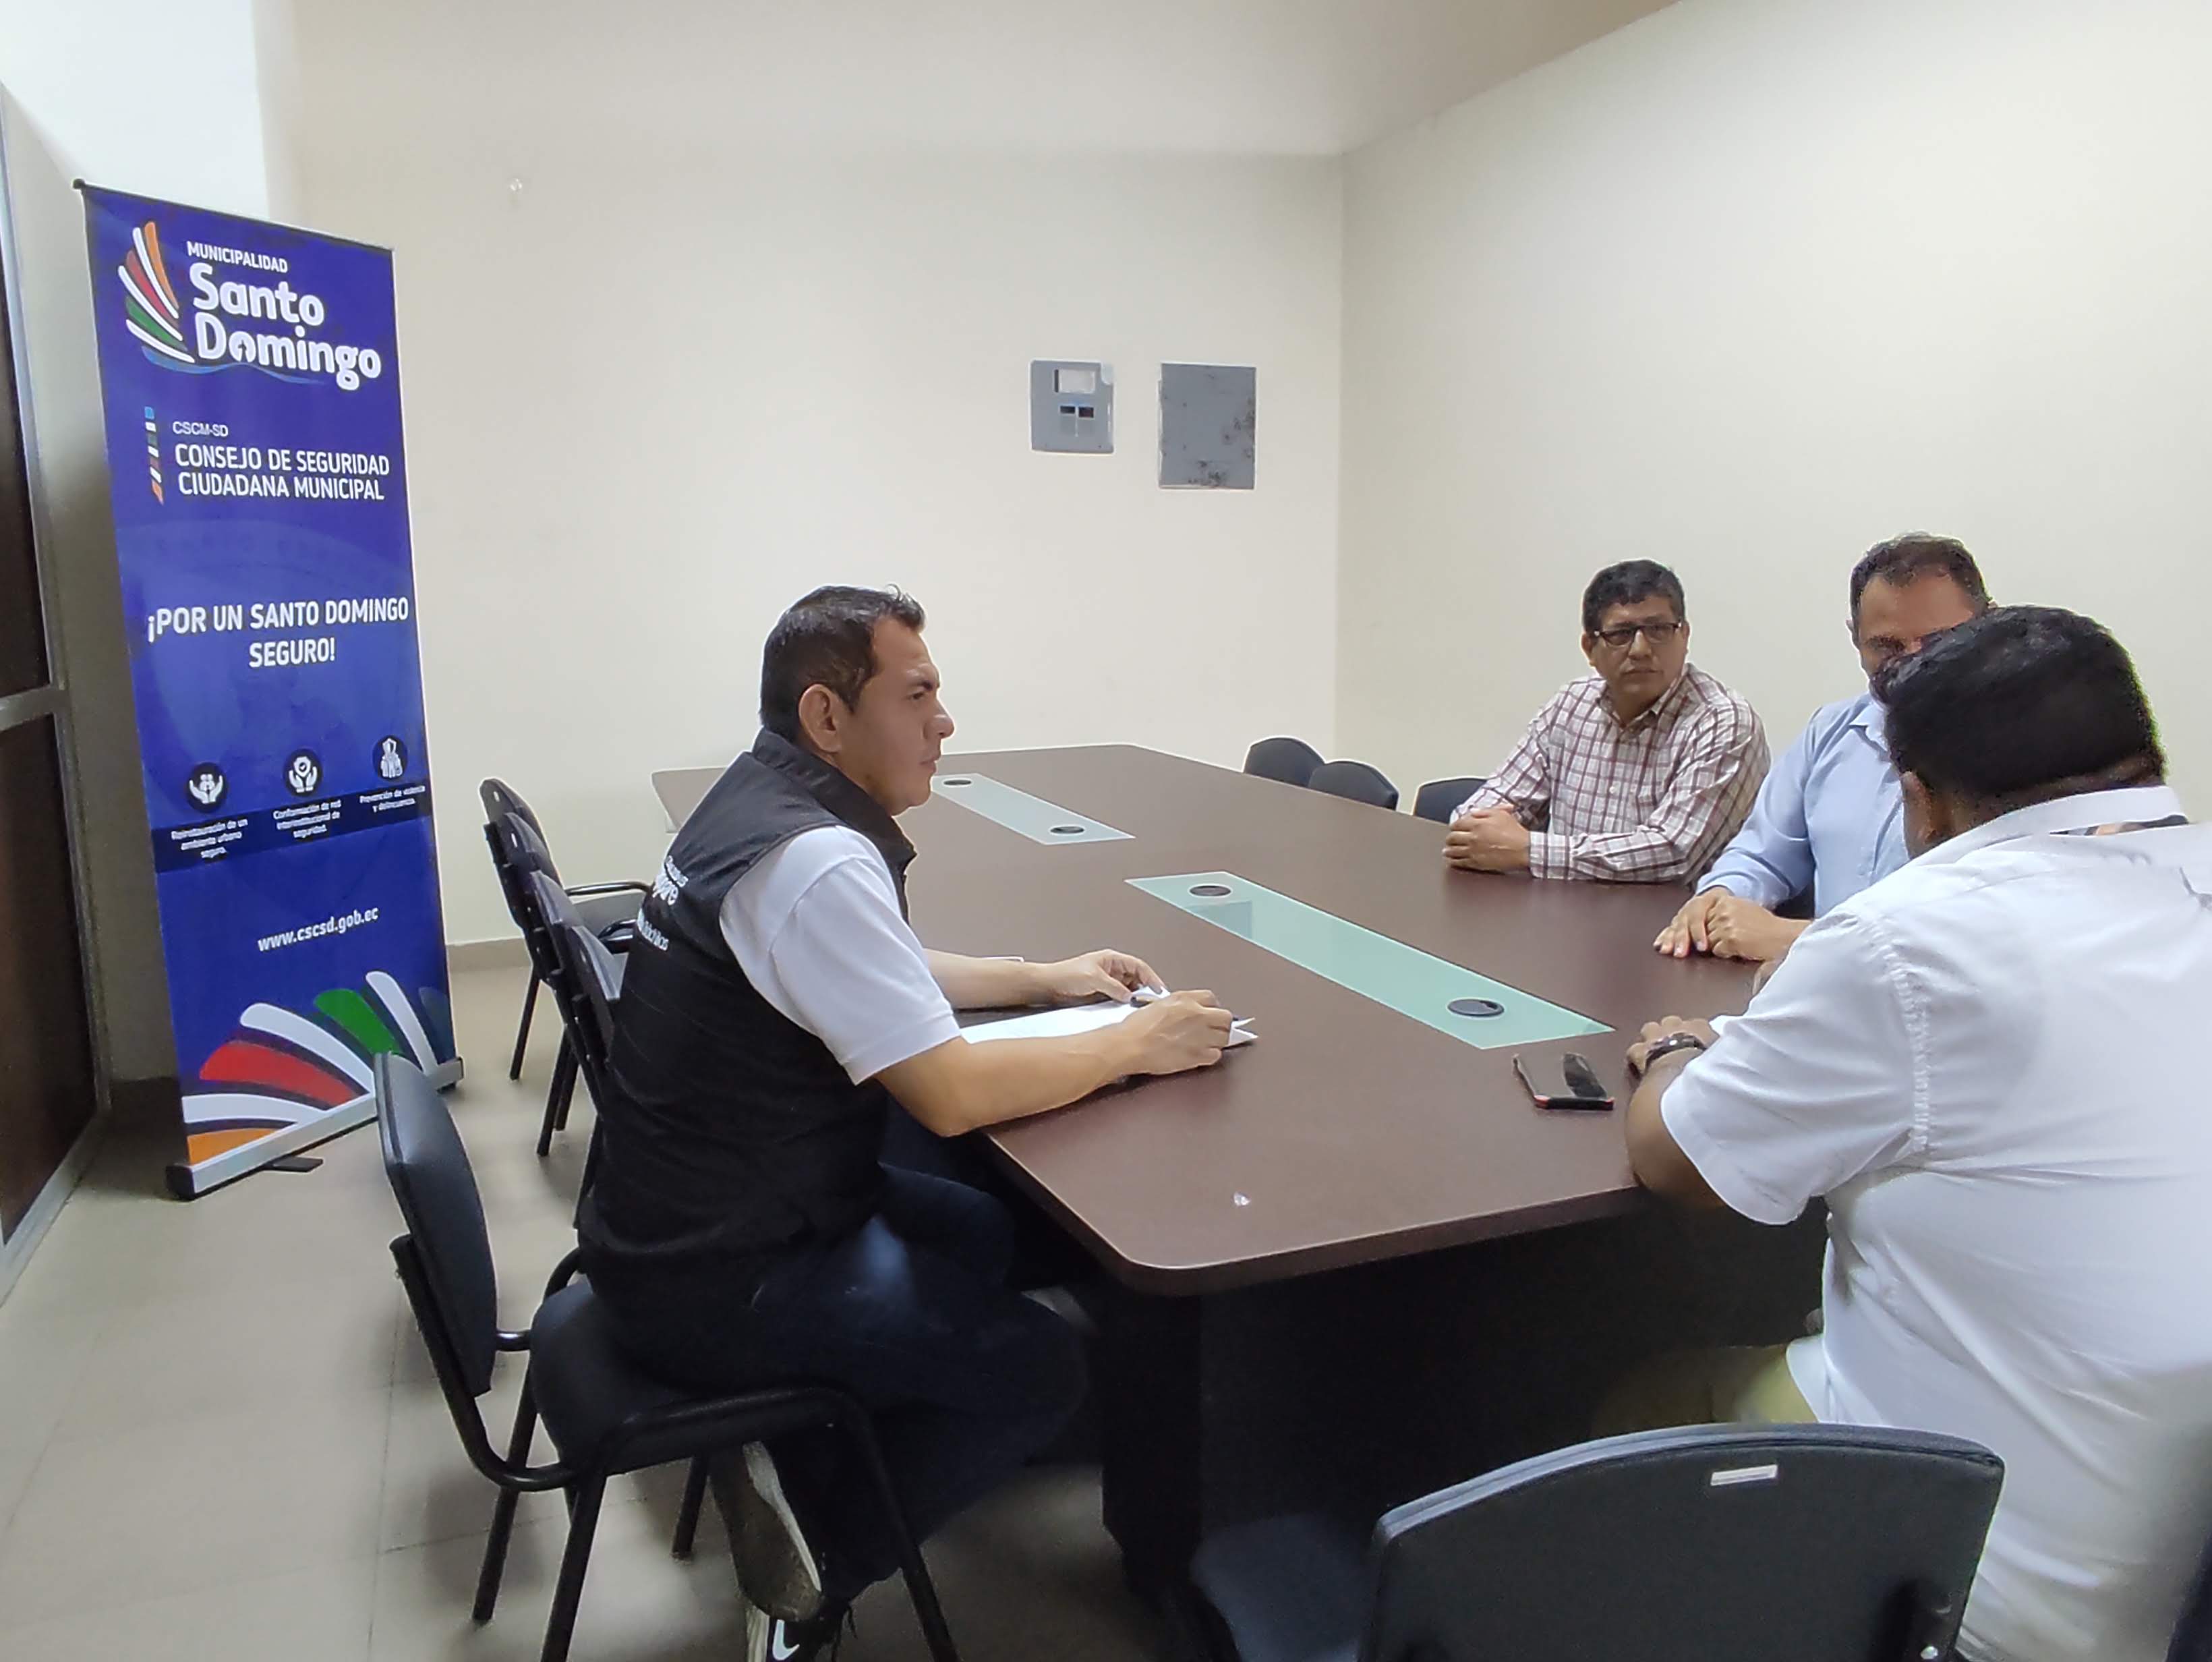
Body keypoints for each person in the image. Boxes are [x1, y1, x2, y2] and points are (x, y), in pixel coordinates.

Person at [579, 585, 1235, 1661]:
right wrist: (1137, 1043)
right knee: (1042, 1370)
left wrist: (1039, 978)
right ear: (827, 717)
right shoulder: (816, 859)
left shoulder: (755, 804)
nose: (945, 722)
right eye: (917, 695)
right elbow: (950, 1095)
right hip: (718, 1274)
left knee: (977, 1229)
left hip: (664, 1219)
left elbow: (862, 963)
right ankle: (813, 1566)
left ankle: (829, 1436)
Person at [1612, 606, 2212, 1662]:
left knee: (1637, 1398)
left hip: (1982, 1582)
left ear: (1920, 798)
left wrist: (1673, 1052)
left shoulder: (1912, 937)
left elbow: (1678, 1161)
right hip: (2174, 1563)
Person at [1655, 534, 1989, 962]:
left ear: (1986, 627)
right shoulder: (1832, 730)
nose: (1914, 662)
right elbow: (1762, 854)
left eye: (1939, 642)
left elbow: (1986, 929)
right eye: (1886, 646)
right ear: (1856, 638)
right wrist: (1718, 898)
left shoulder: (2023, 751)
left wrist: (1801, 939)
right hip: (1815, 987)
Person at [1444, 561, 1768, 882]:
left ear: (1684, 636)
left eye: (1658, 630)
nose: (1641, 650)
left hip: (1670, 913)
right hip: (1561, 905)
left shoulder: (1723, 722)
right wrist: (1479, 831)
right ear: (1590, 648)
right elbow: (1490, 805)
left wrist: (1530, 850)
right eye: (1621, 634)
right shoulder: (1573, 703)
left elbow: (1674, 854)